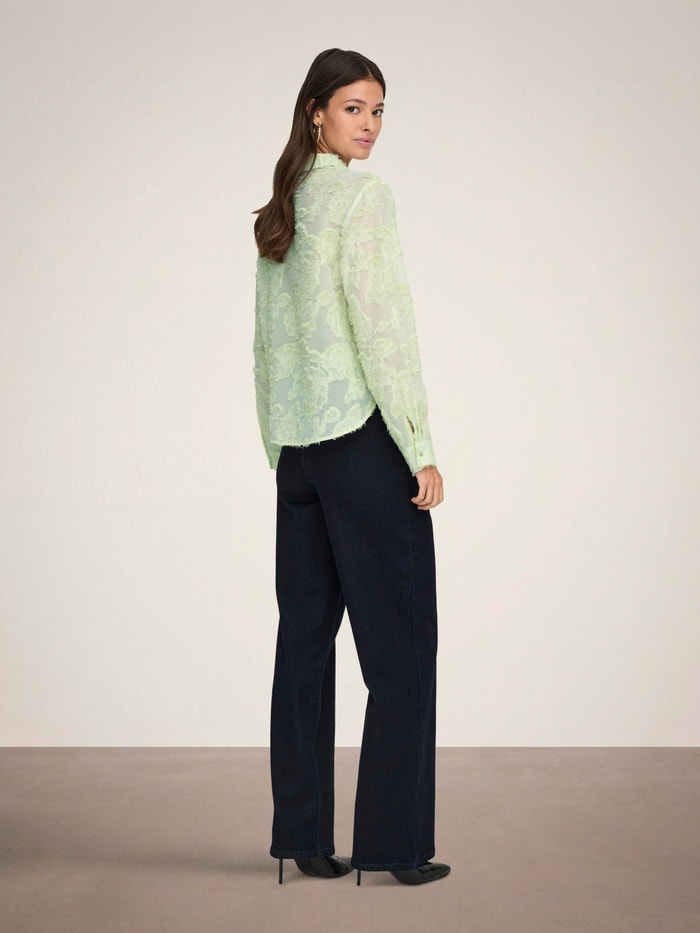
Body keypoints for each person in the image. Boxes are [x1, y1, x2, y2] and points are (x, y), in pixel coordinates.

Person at [253, 48, 449, 887]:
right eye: (354, 108)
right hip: (363, 441)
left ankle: (302, 837)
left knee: (304, 641)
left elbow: (266, 346)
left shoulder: (282, 208)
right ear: (316, 112)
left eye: (378, 111)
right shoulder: (362, 200)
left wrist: (279, 447)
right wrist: (419, 444)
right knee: (401, 644)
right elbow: (384, 329)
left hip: (300, 452)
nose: (369, 126)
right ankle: (393, 847)